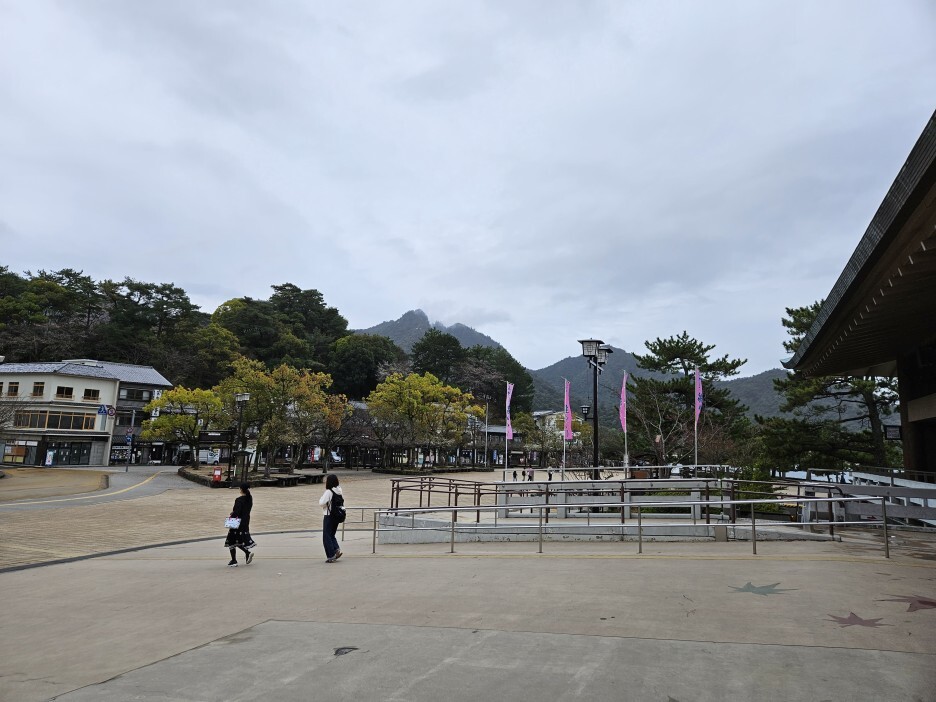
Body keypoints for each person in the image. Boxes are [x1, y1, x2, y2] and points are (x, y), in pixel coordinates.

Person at [224, 483, 256, 567]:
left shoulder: (239, 500)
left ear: (241, 489)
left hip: (237, 523)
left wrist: (232, 515)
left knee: (231, 540)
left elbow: (237, 512)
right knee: (238, 540)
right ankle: (247, 553)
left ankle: (234, 560)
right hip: (245, 522)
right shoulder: (249, 498)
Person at [319, 473, 344, 563]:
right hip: (336, 515)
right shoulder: (339, 490)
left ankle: (331, 555)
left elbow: (321, 503)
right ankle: (336, 550)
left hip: (329, 515)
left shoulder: (329, 492)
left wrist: (321, 498)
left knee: (326, 536)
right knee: (332, 534)